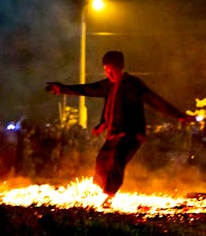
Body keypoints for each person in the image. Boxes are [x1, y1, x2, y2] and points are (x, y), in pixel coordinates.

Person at [46, 50, 195, 207]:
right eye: (105, 70)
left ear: (119, 68)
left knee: (117, 159)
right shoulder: (108, 85)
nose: (108, 73)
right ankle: (98, 189)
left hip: (131, 133)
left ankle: (109, 195)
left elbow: (155, 100)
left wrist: (179, 115)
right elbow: (87, 89)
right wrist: (62, 89)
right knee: (102, 160)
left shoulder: (133, 85)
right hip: (114, 134)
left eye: (110, 70)